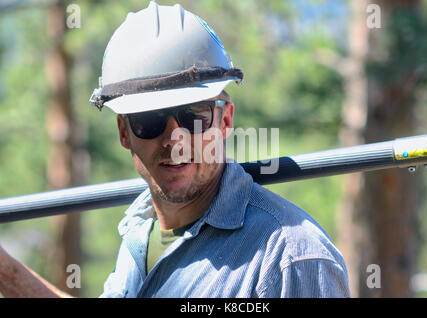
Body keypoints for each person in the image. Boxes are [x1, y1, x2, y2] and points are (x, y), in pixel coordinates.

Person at [0, 1, 350, 298]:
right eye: (149, 121)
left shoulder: (291, 259)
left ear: (225, 120)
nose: (175, 140)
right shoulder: (141, 230)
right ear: (125, 131)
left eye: (193, 116)